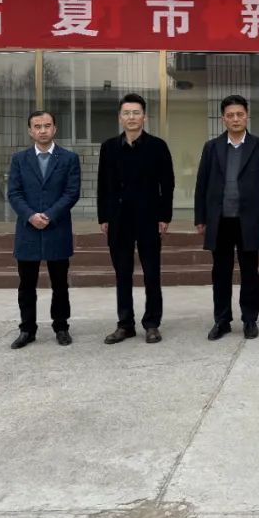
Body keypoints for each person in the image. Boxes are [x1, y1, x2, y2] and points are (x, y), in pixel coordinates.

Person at [195, 94, 259, 340]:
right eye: (230, 115)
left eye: (239, 114)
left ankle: (250, 319)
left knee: (250, 272)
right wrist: (201, 217)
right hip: (220, 219)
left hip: (249, 219)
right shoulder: (212, 147)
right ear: (223, 119)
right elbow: (202, 184)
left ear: (247, 116)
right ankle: (221, 320)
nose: (235, 119)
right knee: (220, 272)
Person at [97, 93, 175, 345]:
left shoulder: (157, 146)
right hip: (118, 218)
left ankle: (152, 324)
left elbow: (168, 184)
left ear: (144, 117)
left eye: (136, 113)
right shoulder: (109, 147)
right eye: (126, 113)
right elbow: (102, 185)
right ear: (120, 117)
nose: (131, 117)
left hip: (148, 217)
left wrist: (164, 215)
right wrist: (103, 216)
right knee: (122, 273)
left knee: (152, 273)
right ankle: (125, 324)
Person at [6, 110, 81, 349]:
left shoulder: (69, 159)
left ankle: (61, 327)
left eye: (47, 126)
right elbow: (14, 193)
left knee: (60, 284)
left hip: (57, 228)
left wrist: (49, 215)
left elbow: (71, 193)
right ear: (30, 131)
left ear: (54, 129)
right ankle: (27, 330)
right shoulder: (20, 159)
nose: (42, 130)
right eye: (37, 126)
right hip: (28, 230)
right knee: (27, 285)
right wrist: (30, 216)